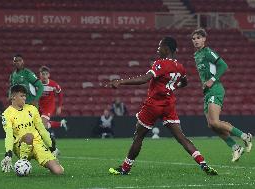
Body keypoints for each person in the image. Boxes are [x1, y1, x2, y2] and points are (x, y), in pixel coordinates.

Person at [106, 37, 218, 176]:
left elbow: (145, 79)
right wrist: (172, 87)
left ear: (167, 48)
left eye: (160, 46)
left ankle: (124, 168)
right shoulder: (180, 66)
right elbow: (185, 82)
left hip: (153, 105)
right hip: (168, 105)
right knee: (181, 138)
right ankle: (203, 163)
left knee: (138, 137)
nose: (158, 49)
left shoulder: (160, 64)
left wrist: (121, 82)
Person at [191, 28, 252, 162]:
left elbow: (223, 65)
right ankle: (236, 147)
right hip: (207, 92)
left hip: (215, 89)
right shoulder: (197, 55)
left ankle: (245, 136)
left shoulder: (208, 52)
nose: (195, 40)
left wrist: (212, 80)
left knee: (214, 121)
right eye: (193, 38)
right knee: (212, 125)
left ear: (204, 39)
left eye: (198, 38)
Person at [0, 84, 64, 175]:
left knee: (59, 171)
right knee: (29, 136)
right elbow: (9, 135)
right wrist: (8, 154)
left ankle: (47, 163)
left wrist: (52, 147)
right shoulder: (7, 114)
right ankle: (23, 162)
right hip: (21, 146)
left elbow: (42, 130)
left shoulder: (32, 109)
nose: (24, 98)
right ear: (13, 97)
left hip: (37, 143)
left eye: (25, 96)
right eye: (21, 96)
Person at [39, 66, 67, 156]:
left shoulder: (53, 84)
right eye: (43, 74)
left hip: (49, 107)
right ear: (40, 75)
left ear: (49, 75)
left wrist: (59, 106)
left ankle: (53, 148)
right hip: (39, 107)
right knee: (41, 126)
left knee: (42, 125)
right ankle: (60, 124)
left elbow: (60, 94)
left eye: (46, 74)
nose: (44, 76)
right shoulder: (37, 84)